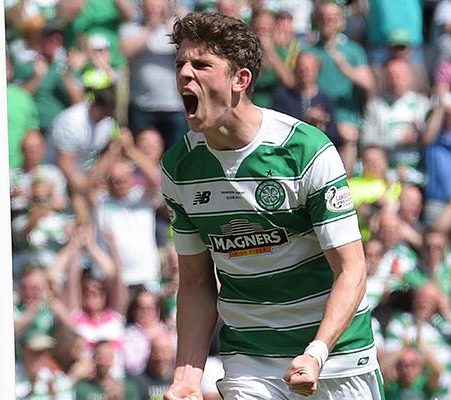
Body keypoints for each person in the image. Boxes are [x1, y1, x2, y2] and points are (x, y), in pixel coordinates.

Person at [161, 12, 376, 399]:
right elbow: (195, 283)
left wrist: (316, 353)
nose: (184, 74)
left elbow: (352, 269)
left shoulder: (304, 151)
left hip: (336, 358)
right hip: (251, 361)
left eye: (202, 65)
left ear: (240, 80)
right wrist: (187, 376)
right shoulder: (180, 168)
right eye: (180, 65)